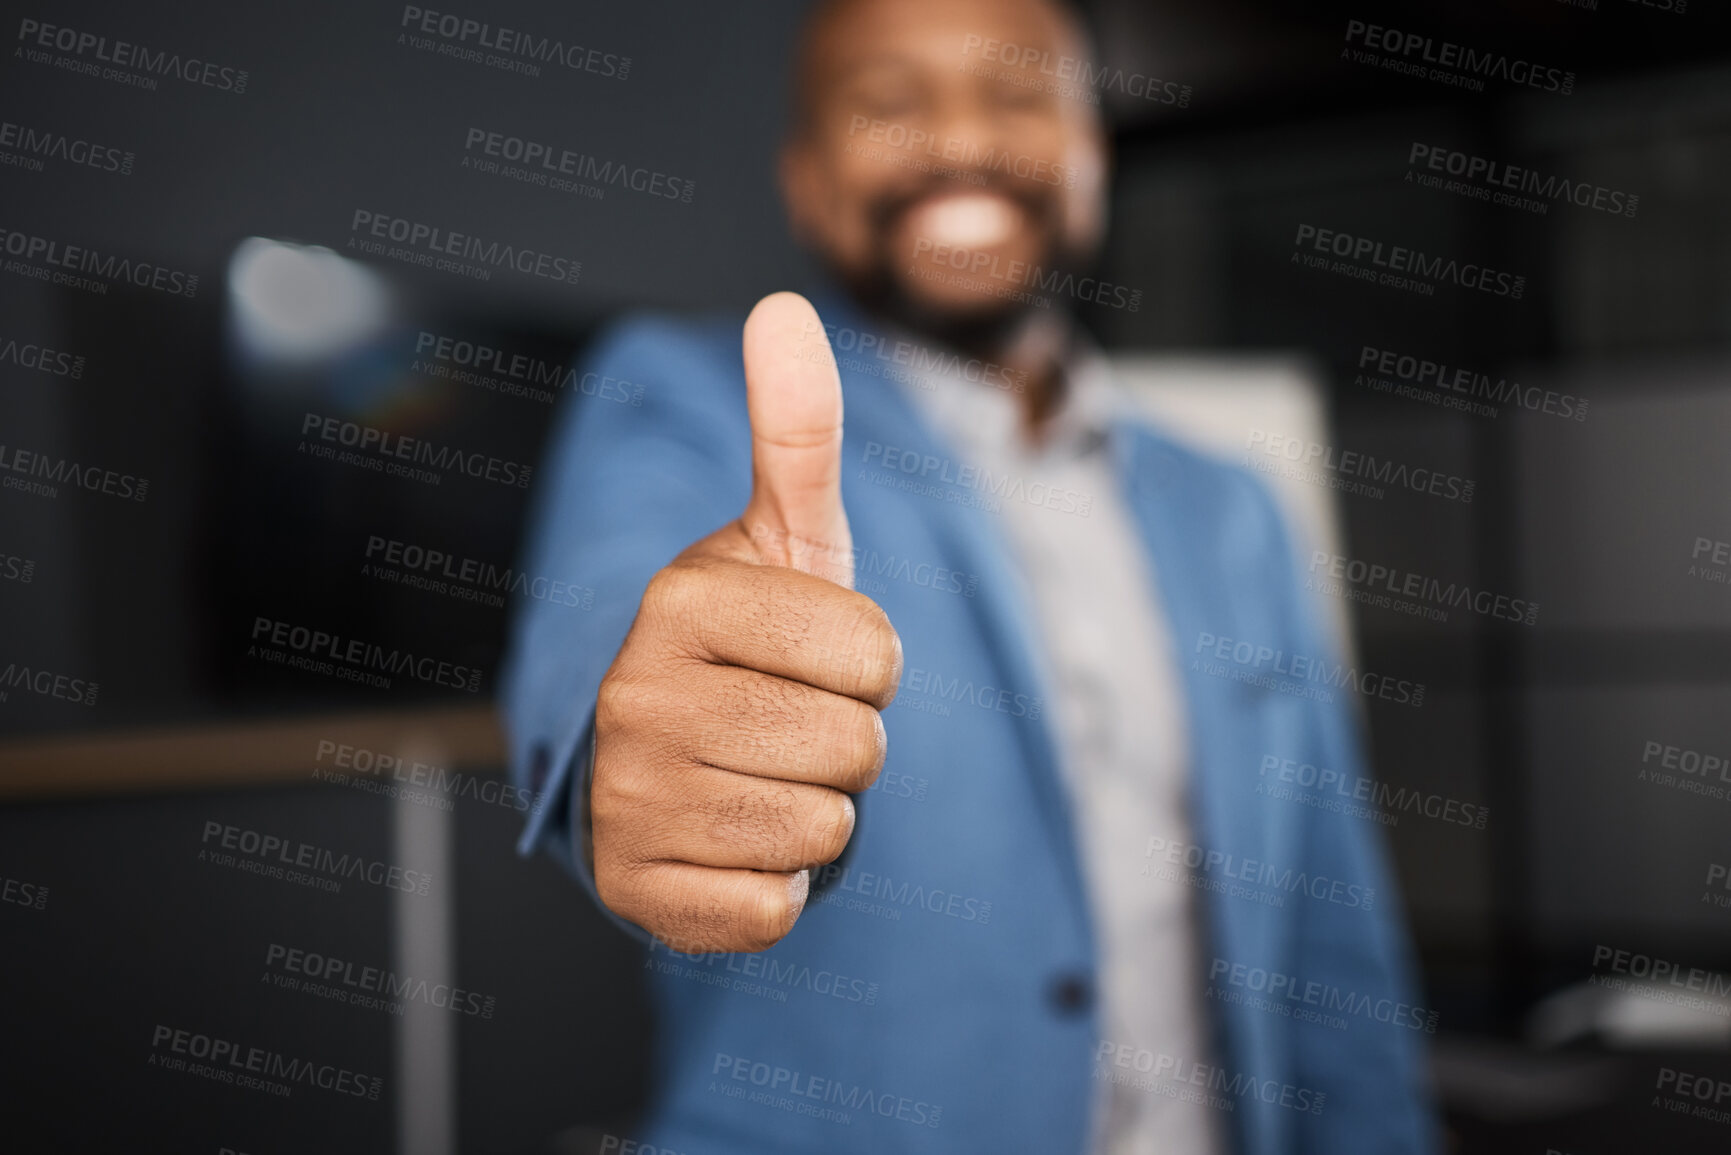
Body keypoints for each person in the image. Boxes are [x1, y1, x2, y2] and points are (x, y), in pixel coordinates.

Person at [503, 0, 1438, 1151]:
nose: (958, 141)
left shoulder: (1236, 508)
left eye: (1016, 95)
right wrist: (652, 758)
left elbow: (1331, 934)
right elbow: (603, 641)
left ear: (1092, 158)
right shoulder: (685, 404)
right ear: (805, 179)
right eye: (889, 102)